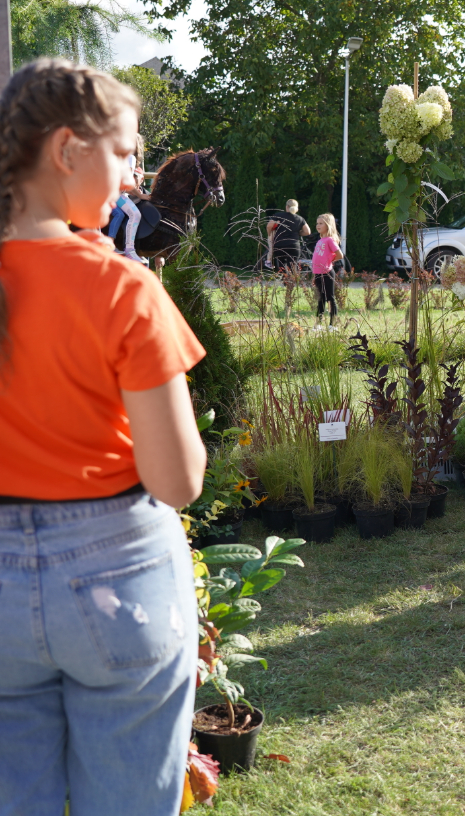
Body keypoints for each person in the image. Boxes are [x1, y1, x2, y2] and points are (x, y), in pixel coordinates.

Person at [0, 59, 207, 814]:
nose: (133, 177)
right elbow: (178, 480)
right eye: (125, 153)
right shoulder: (123, 288)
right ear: (67, 150)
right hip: (118, 578)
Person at [106, 133, 148, 264]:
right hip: (115, 193)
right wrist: (141, 195)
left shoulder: (120, 155)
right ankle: (130, 249)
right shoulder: (130, 158)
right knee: (135, 214)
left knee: (122, 214)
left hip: (114, 192)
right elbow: (127, 183)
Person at [311, 212, 345, 329]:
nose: (318, 225)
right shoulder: (320, 240)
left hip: (327, 273)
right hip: (318, 274)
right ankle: (318, 324)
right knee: (321, 299)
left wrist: (329, 261)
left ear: (328, 225)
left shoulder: (330, 240)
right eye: (317, 223)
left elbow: (340, 255)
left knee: (330, 298)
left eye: (321, 223)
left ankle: (333, 325)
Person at [265, 198, 309, 270]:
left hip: (280, 245)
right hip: (293, 246)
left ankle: (284, 280)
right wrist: (298, 233)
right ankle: (291, 280)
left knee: (282, 268)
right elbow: (307, 231)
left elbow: (269, 226)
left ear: (287, 206)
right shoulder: (300, 218)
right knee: (292, 269)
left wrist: (269, 233)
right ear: (296, 208)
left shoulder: (278, 215)